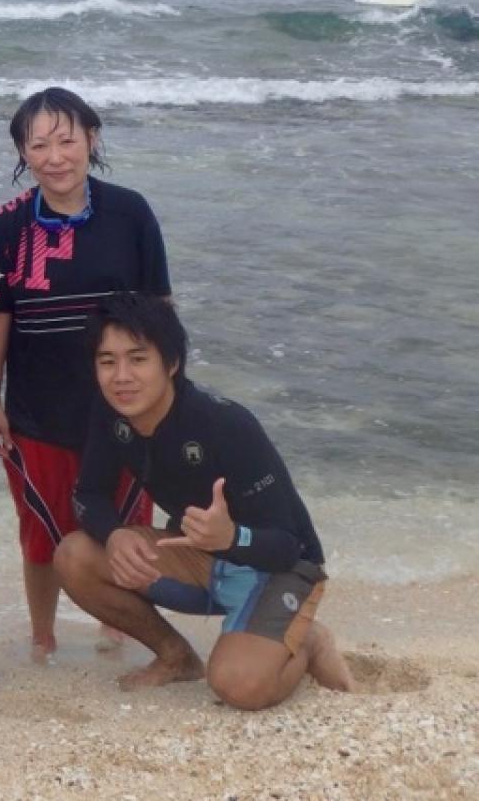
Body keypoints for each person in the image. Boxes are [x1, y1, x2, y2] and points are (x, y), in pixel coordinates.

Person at [54, 293, 355, 708]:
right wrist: (115, 534)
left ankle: (307, 643)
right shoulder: (112, 414)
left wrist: (231, 536)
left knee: (238, 688)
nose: (121, 376)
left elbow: (290, 545)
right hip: (200, 557)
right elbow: (89, 494)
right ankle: (176, 658)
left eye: (138, 359)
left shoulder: (226, 425)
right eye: (108, 361)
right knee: (75, 556)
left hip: (279, 567)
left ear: (172, 363)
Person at [0, 87, 168, 663]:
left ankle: (120, 629)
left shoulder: (131, 213)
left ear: (91, 139)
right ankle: (43, 635)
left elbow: (160, 311)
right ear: (23, 154)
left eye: (67, 140)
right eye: (39, 144)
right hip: (37, 411)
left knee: (130, 527)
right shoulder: (5, 227)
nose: (55, 156)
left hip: (125, 407)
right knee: (41, 534)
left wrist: (165, 399)